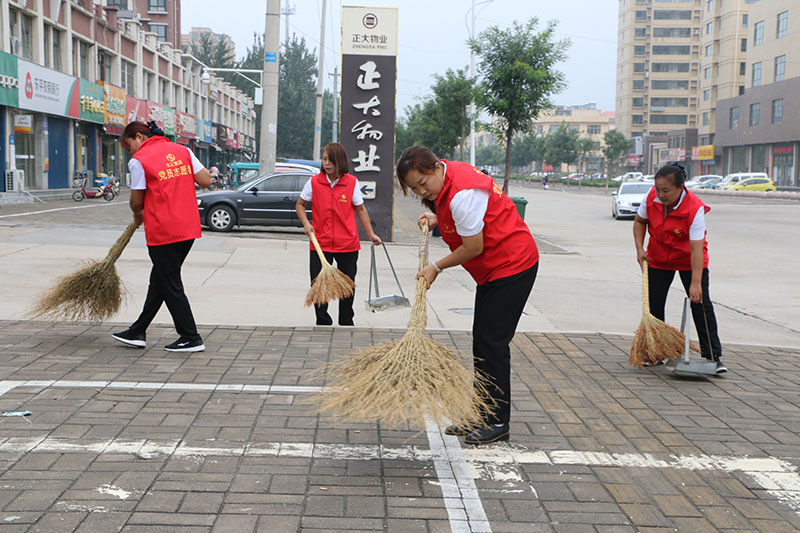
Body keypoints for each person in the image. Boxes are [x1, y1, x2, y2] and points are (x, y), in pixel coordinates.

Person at [396, 145, 539, 445]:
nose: (423, 191)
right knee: (482, 342)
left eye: (423, 183)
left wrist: (436, 267)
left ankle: (498, 421)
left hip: (513, 265)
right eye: (414, 188)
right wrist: (437, 219)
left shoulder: (461, 193)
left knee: (493, 344)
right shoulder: (449, 179)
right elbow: (459, 217)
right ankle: (482, 412)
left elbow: (473, 247)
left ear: (435, 168)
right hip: (493, 270)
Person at [112, 121, 212, 352]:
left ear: (138, 136)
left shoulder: (139, 160)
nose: (130, 151)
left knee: (170, 283)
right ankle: (138, 331)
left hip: (163, 230)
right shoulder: (182, 150)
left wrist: (138, 216)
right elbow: (206, 180)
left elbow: (137, 201)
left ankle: (191, 337)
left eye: (128, 146)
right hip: (188, 228)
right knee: (160, 281)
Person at [633, 163, 727, 374]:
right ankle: (656, 352)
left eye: (665, 191)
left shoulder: (694, 208)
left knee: (700, 304)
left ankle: (712, 356)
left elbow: (696, 249)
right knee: (654, 305)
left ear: (680, 188)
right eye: (657, 189)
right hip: (658, 258)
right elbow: (640, 221)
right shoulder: (651, 198)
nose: (660, 194)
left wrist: (695, 283)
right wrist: (640, 249)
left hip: (689, 260)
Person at [296, 142, 382, 326]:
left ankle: (346, 322)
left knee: (347, 286)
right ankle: (323, 322)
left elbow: (361, 210)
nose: (326, 163)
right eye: (324, 159)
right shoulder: (315, 182)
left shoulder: (351, 182)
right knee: (319, 285)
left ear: (340, 162)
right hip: (320, 243)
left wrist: (371, 234)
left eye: (331, 160)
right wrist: (306, 224)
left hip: (347, 244)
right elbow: (300, 204)